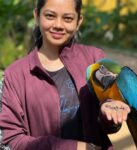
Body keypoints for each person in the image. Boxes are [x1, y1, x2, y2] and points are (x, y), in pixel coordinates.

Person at [0, 0, 130, 149]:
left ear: (78, 21)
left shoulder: (95, 60)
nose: (58, 25)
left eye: (67, 18)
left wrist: (109, 115)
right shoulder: (15, 74)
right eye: (50, 16)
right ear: (36, 15)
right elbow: (11, 140)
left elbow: (107, 124)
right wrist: (73, 147)